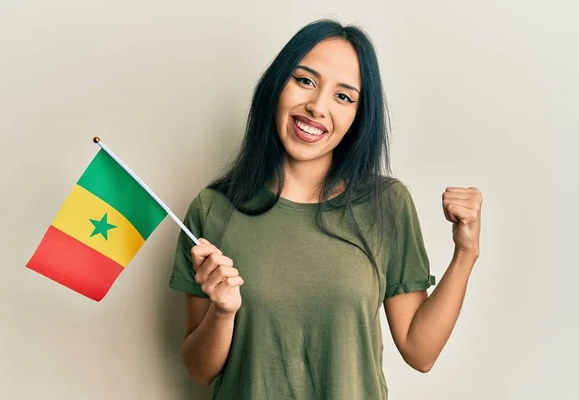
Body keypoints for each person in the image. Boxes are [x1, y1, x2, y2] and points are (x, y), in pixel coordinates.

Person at [168, 18, 483, 400]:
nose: (317, 106)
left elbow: (420, 352)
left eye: (344, 96)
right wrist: (222, 312)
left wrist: (465, 253)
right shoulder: (213, 208)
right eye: (305, 80)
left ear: (358, 117)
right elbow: (199, 371)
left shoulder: (388, 204)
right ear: (276, 86)